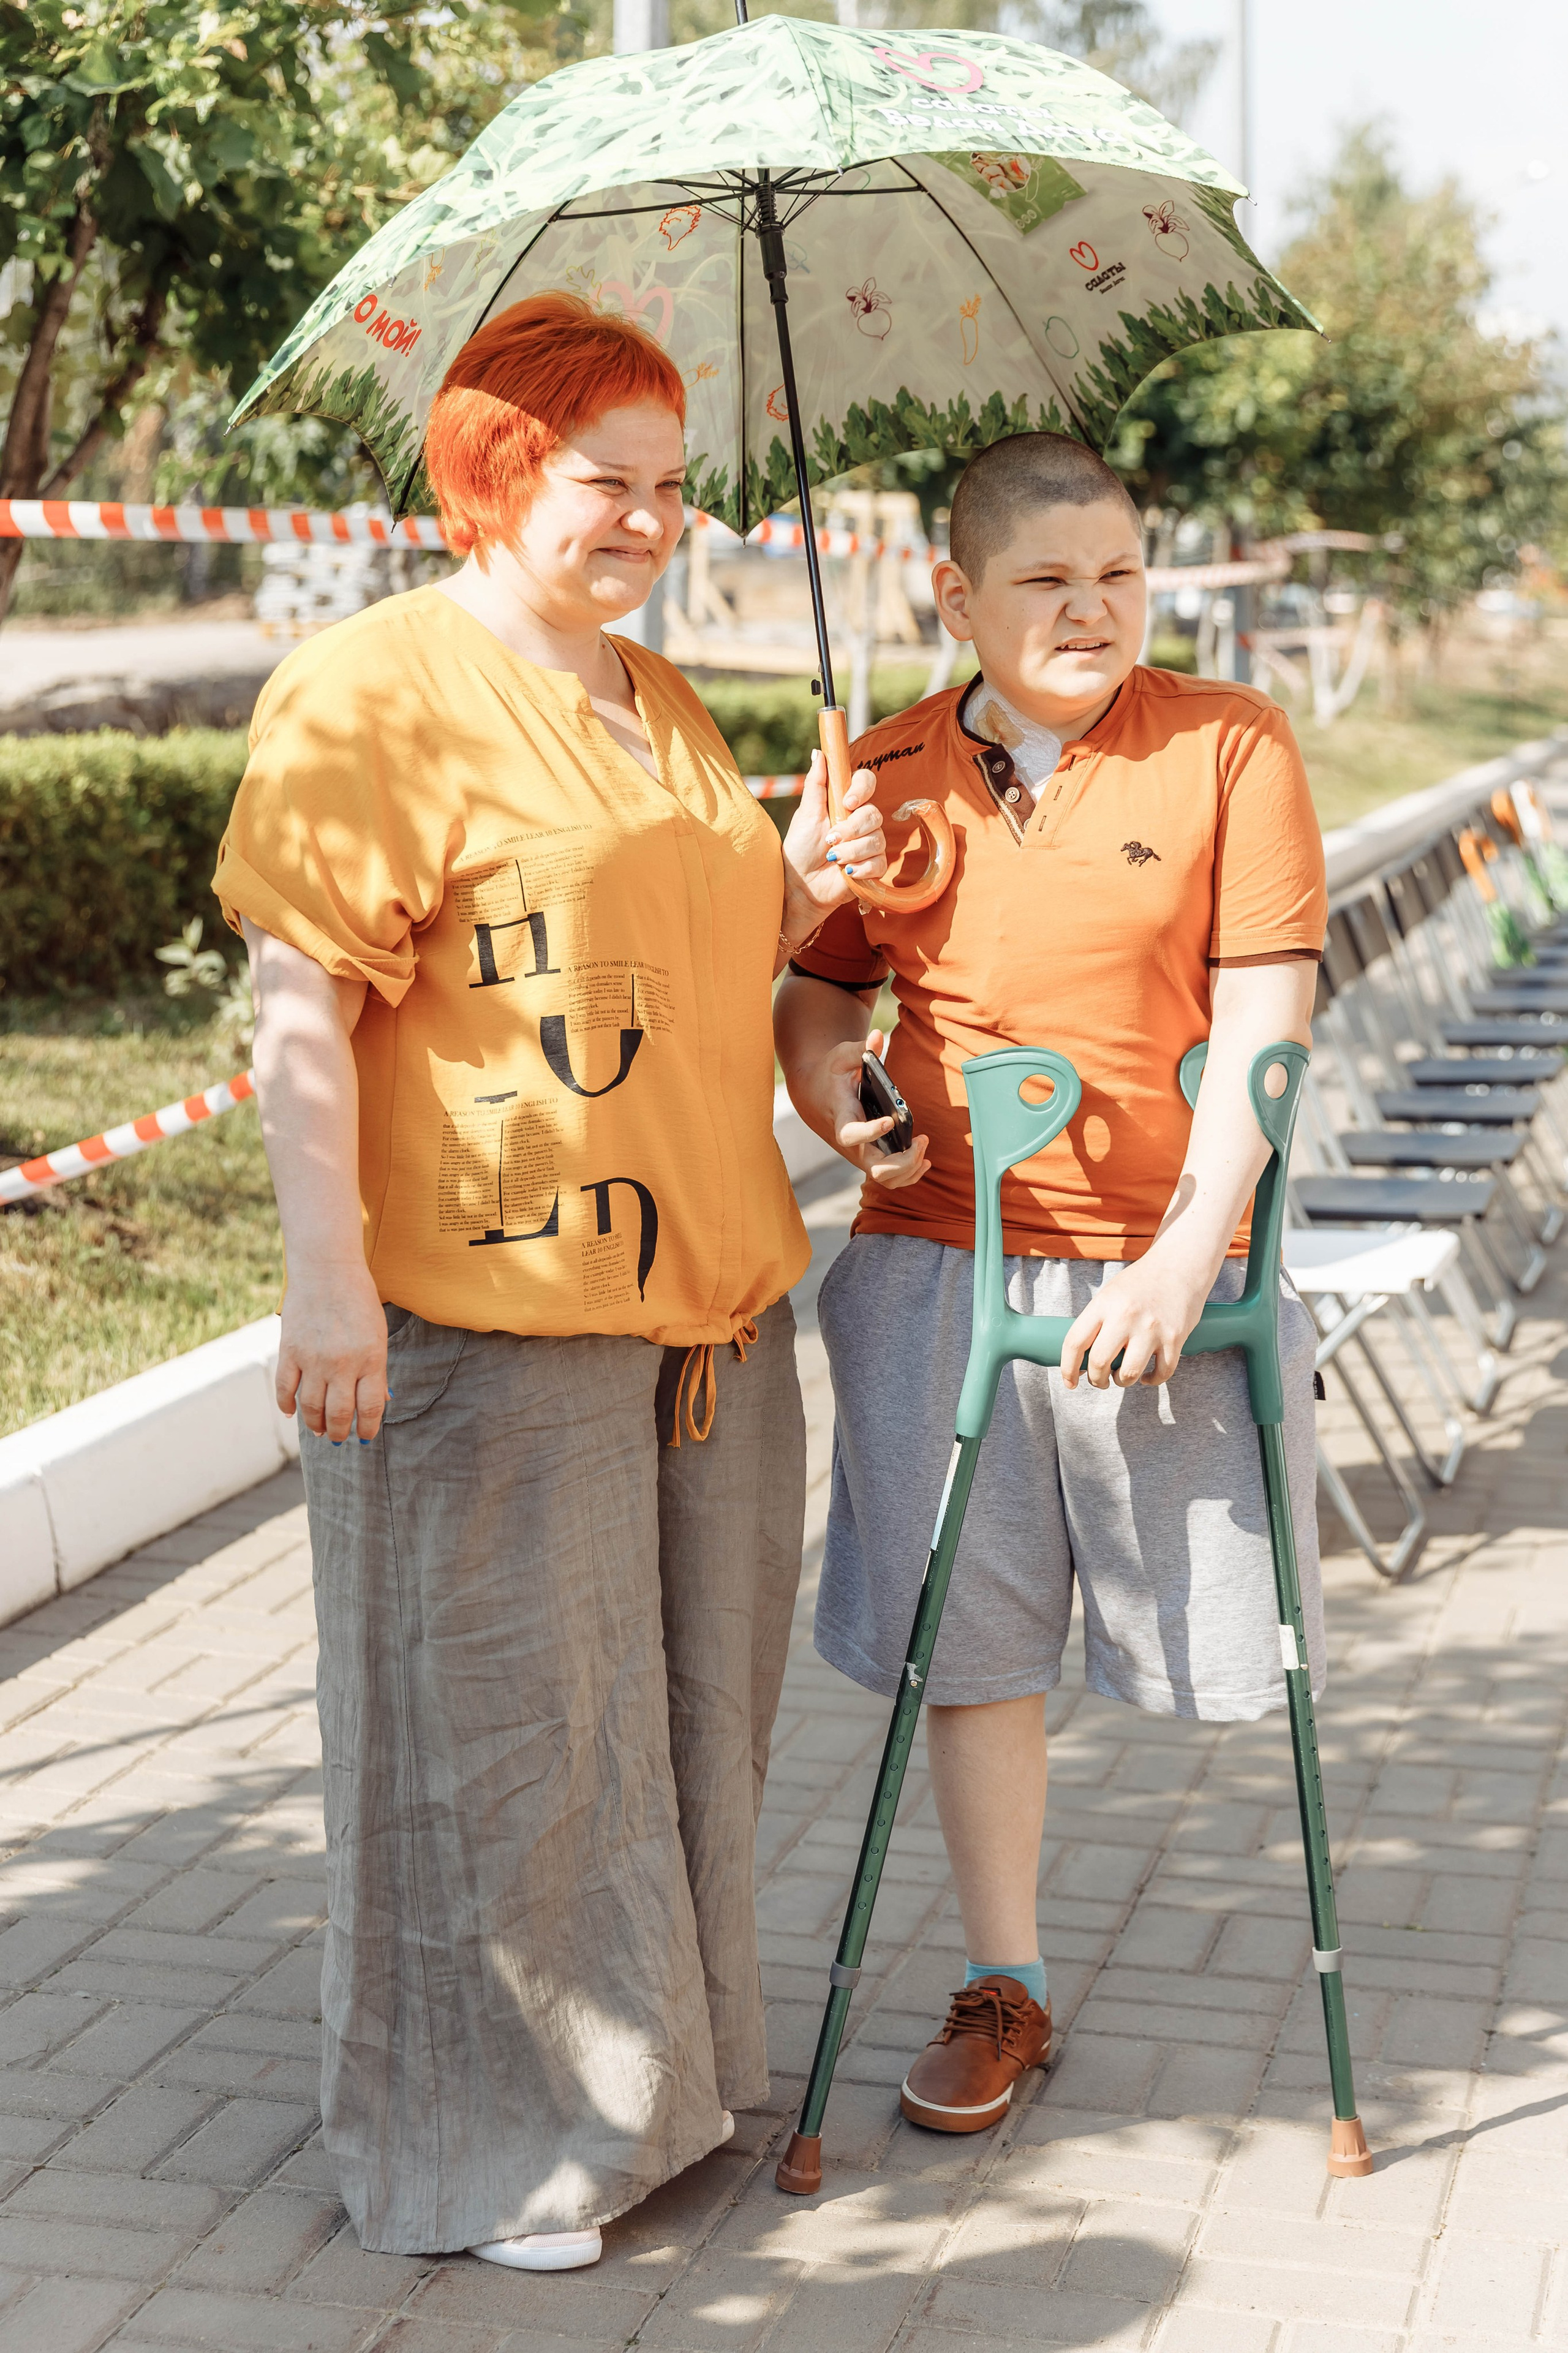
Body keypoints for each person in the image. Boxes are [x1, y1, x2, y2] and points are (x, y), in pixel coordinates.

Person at [214, 292, 888, 2266]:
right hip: (482, 1329)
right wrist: (327, 1281)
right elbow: (301, 1005)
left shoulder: (662, 702)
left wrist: (807, 868)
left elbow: (704, 964)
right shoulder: (373, 690)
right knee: (507, 1750)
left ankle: (649, 2100)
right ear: (501, 470)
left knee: (682, 1729)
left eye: (673, 491)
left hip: (705, 1323)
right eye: (610, 484)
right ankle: (495, 2147)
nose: (647, 523)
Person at [774, 431, 1326, 2139]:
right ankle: (1004, 1981)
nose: (1093, 609)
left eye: (1120, 575)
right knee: (973, 1651)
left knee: (1220, 1645)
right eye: (1046, 579)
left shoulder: (1231, 745)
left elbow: (1266, 1020)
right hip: (941, 1266)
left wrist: (1192, 1245)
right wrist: (835, 1097)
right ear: (957, 595)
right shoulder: (886, 776)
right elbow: (815, 999)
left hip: (1167, 1273)